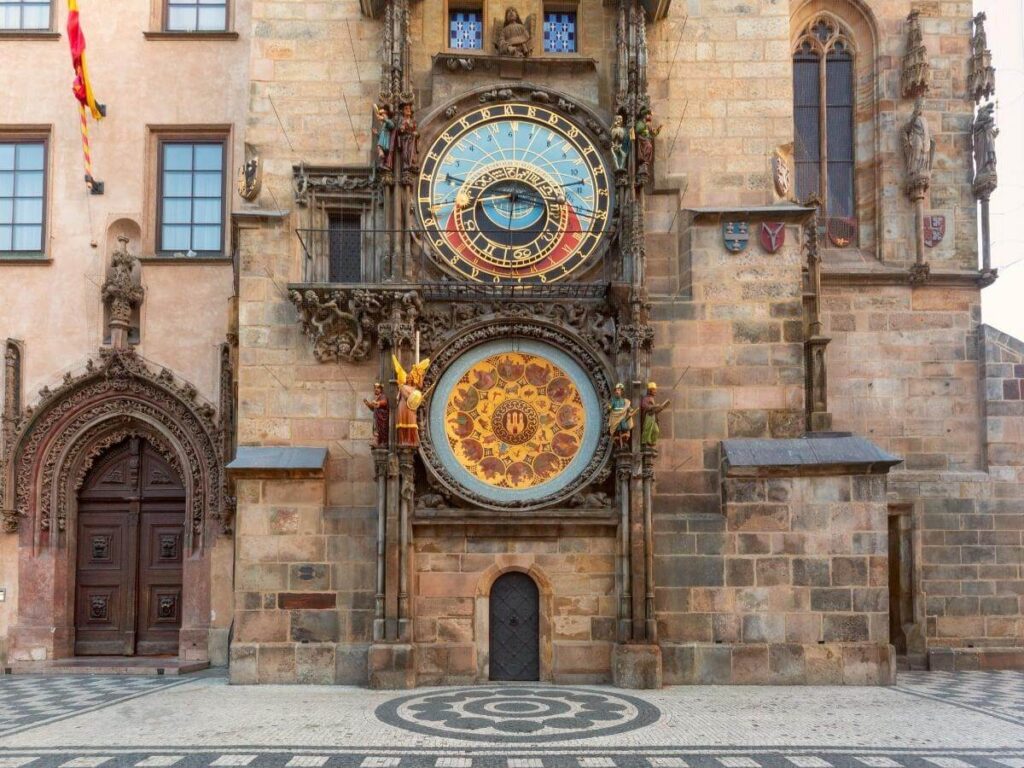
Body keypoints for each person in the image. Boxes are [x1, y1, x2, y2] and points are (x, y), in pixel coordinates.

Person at [392, 355, 431, 447]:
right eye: (407, 377)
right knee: (402, 422)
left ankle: (411, 440)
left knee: (411, 421)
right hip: (403, 405)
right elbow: (405, 397)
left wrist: (420, 374)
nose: (409, 377)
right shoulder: (403, 386)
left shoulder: (415, 388)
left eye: (410, 377)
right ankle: (402, 441)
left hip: (411, 407)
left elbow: (420, 386)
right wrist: (402, 389)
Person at [606, 382, 637, 449]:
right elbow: (610, 407)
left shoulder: (625, 401)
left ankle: (624, 442)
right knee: (617, 430)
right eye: (616, 390)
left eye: (619, 390)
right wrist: (609, 407)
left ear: (622, 392)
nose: (617, 392)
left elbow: (629, 408)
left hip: (623, 417)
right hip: (615, 417)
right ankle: (618, 443)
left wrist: (631, 412)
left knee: (624, 427)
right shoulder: (613, 401)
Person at [640, 382, 670, 447]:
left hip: (653, 416)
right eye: (654, 390)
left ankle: (651, 442)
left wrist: (661, 407)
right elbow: (644, 405)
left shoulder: (652, 398)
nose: (655, 391)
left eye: (655, 390)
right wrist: (653, 406)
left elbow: (654, 410)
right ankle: (645, 442)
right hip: (648, 416)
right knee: (647, 428)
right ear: (650, 390)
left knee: (656, 430)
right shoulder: (646, 398)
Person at [363, 382, 389, 447]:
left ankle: (383, 442)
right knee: (376, 429)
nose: (376, 389)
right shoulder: (376, 398)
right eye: (375, 388)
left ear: (381, 389)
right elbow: (372, 408)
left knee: (382, 429)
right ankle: (377, 441)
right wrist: (367, 404)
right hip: (376, 417)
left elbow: (384, 402)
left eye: (378, 388)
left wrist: (378, 402)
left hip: (382, 417)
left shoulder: (383, 396)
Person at [375, 104, 395, 171]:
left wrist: (384, 119)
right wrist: (377, 134)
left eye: (382, 114)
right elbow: (381, 134)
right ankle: (382, 162)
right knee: (380, 148)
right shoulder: (383, 124)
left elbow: (392, 126)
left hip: (386, 139)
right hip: (383, 138)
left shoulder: (387, 121)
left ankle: (382, 156)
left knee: (379, 148)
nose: (380, 116)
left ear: (386, 114)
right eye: (380, 114)